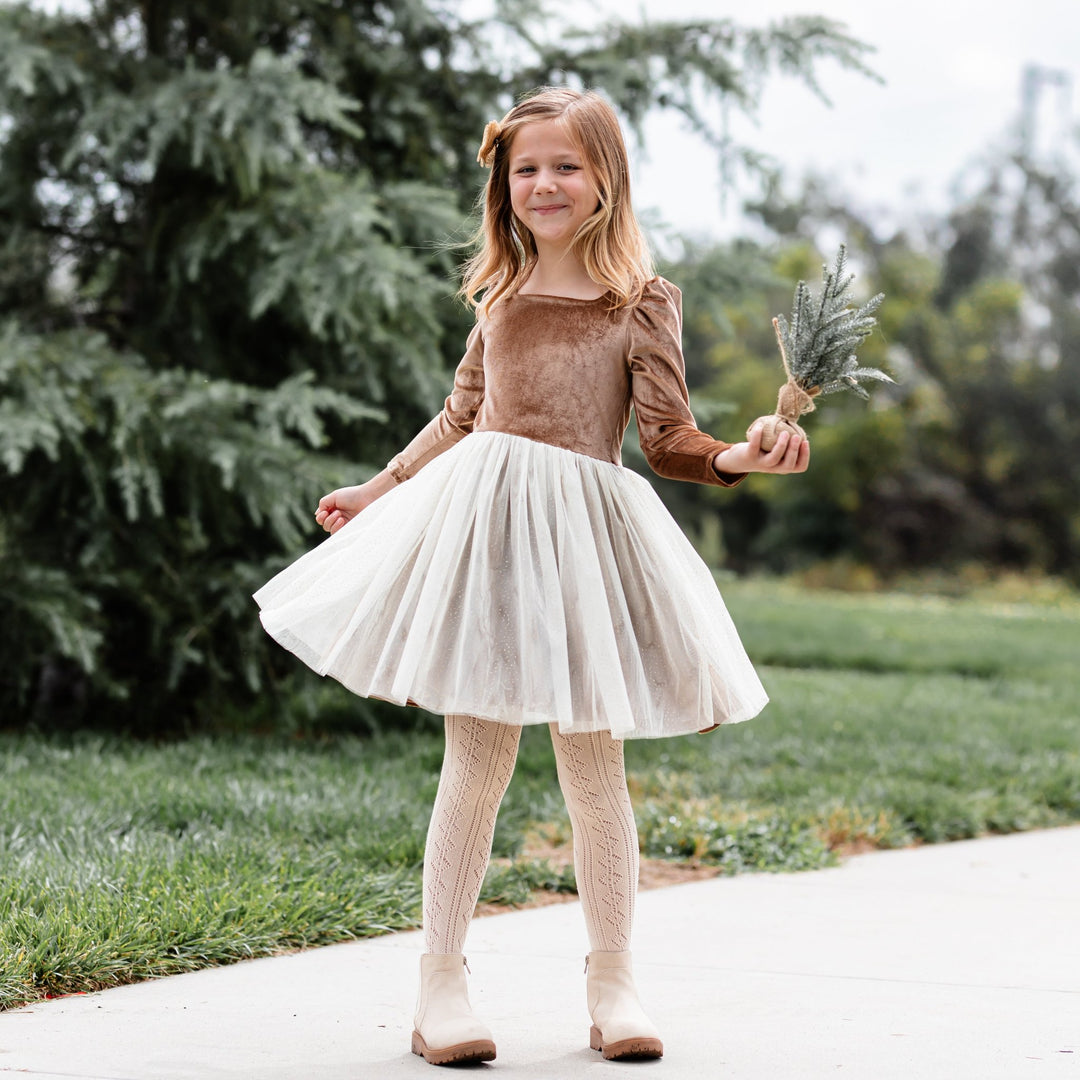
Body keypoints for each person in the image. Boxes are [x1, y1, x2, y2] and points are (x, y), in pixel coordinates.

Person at [253, 86, 808, 1067]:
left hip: (584, 547)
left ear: (606, 179)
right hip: (489, 541)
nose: (545, 183)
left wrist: (739, 457)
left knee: (594, 765)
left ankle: (614, 981)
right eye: (526, 169)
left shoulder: (642, 301)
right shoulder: (502, 297)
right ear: (504, 187)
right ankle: (440, 987)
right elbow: (464, 415)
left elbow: (669, 440)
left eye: (566, 165)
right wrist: (377, 488)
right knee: (478, 759)